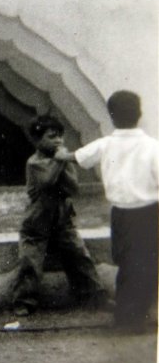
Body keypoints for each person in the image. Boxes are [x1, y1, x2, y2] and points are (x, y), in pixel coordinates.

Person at [55, 91, 158, 332]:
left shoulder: (106, 144)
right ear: (139, 114)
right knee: (146, 263)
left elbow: (76, 157)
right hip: (149, 214)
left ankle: (127, 315)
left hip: (120, 215)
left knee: (125, 262)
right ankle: (138, 314)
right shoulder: (153, 147)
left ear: (111, 117)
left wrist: (59, 153)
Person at [11, 114, 108, 317]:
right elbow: (46, 181)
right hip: (37, 221)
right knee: (30, 261)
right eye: (51, 136)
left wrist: (63, 163)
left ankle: (95, 297)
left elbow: (73, 188)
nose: (58, 141)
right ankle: (24, 301)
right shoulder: (34, 162)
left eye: (60, 137)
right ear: (37, 140)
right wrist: (60, 161)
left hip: (62, 218)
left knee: (80, 256)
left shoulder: (63, 162)